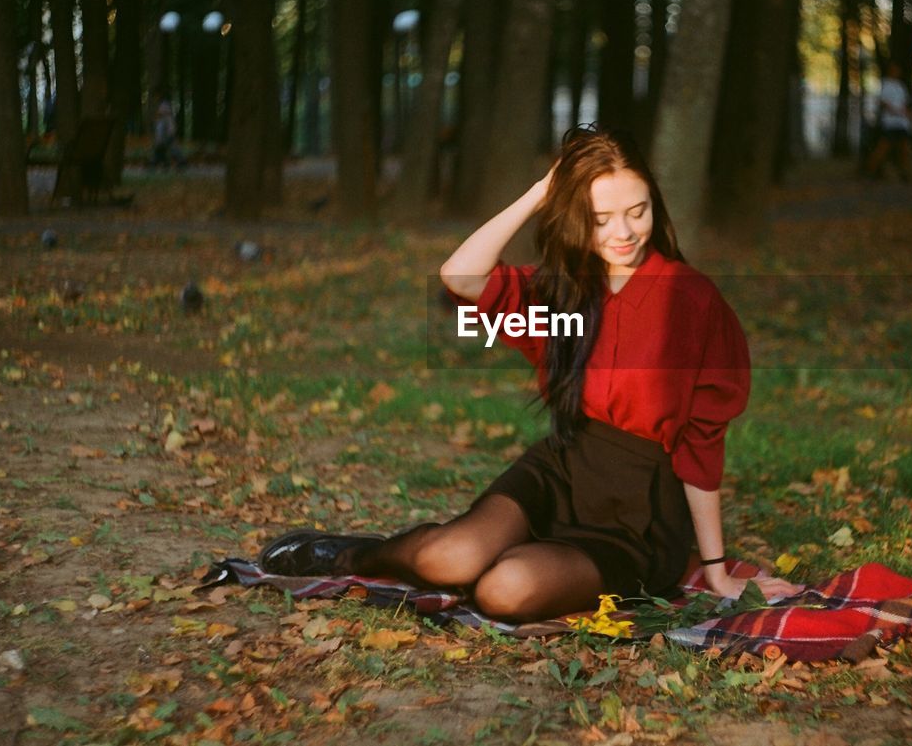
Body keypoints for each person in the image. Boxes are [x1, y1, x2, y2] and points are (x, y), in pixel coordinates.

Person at [260, 127, 803, 622]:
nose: (625, 232)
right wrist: (541, 191)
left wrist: (714, 569)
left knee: (506, 590)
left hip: (639, 514)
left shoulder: (693, 301)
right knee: (452, 555)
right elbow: (461, 276)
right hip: (562, 467)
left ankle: (520, 562)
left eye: (638, 211)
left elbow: (703, 444)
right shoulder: (564, 293)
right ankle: (352, 553)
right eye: (600, 218)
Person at [864, 61, 912, 182]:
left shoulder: (901, 86)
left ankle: (904, 173)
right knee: (883, 147)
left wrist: (911, 116)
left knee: (904, 149)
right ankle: (871, 171)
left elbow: (904, 105)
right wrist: (895, 111)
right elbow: (883, 102)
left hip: (902, 123)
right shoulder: (885, 85)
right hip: (890, 122)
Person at [150, 94, 186, 169]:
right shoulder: (163, 117)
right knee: (165, 149)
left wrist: (167, 134)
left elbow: (168, 125)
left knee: (168, 149)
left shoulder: (165, 113)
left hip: (167, 134)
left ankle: (158, 164)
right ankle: (164, 164)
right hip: (166, 134)